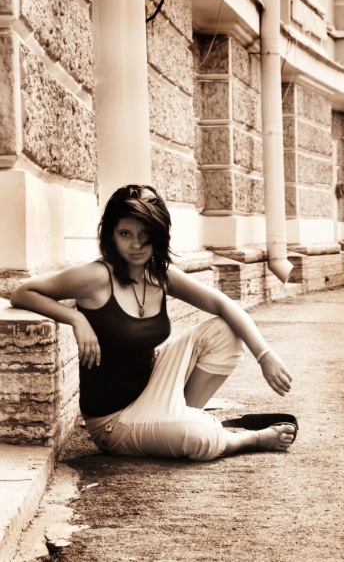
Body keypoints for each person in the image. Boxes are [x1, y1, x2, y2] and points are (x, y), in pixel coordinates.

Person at [11, 184, 297, 461]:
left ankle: (180, 418)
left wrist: (264, 356)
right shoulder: (96, 277)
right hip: (114, 421)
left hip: (154, 387)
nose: (136, 245)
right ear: (111, 236)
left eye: (145, 234)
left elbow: (224, 304)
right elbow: (22, 292)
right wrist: (76, 318)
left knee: (226, 332)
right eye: (125, 233)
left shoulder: (159, 275)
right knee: (199, 437)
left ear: (158, 235)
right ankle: (250, 438)